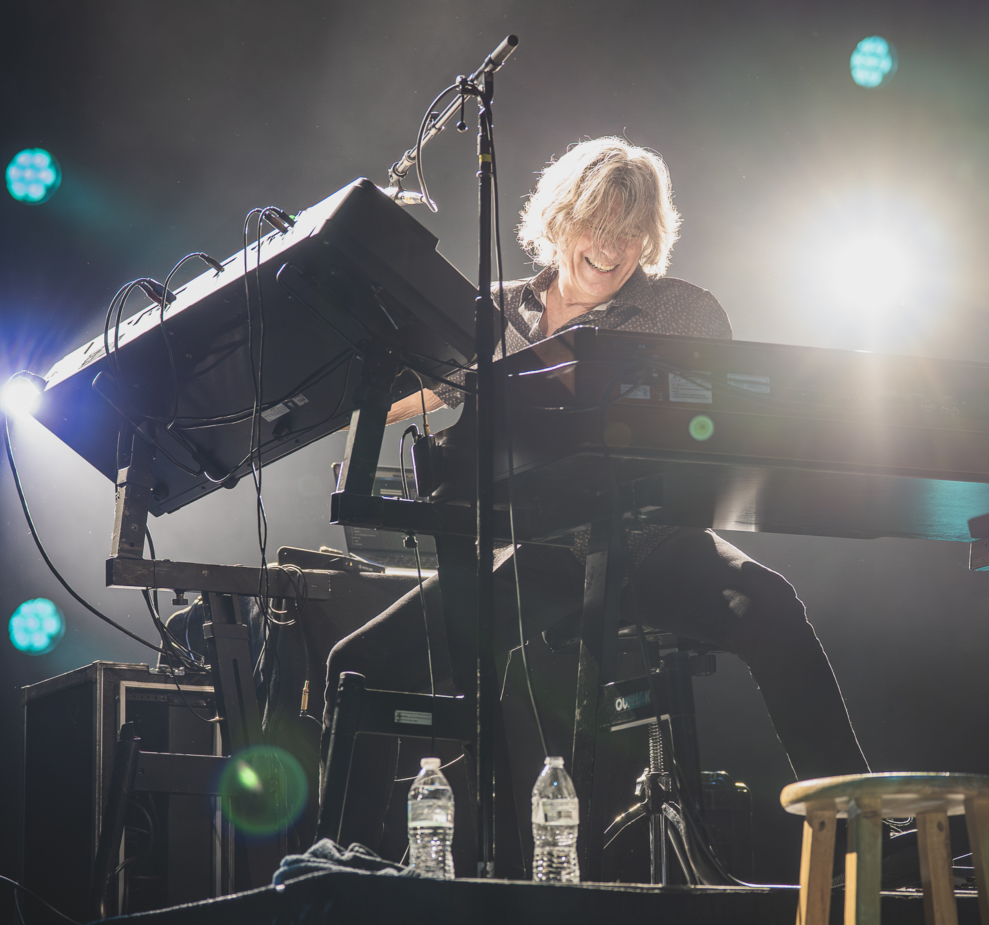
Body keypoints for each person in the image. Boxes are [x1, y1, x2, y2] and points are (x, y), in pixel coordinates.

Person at [323, 137, 868, 849]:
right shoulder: (491, 315)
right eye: (597, 225)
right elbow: (384, 399)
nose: (612, 248)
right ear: (559, 220)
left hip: (655, 545)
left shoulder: (684, 312)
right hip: (544, 557)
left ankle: (861, 833)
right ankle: (344, 864)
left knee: (772, 607)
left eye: (631, 232)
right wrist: (357, 366)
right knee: (357, 662)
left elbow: (730, 429)